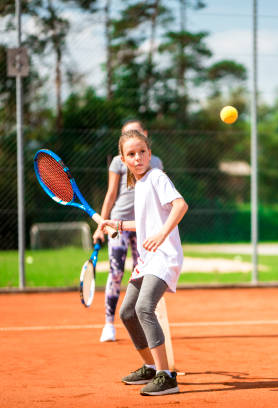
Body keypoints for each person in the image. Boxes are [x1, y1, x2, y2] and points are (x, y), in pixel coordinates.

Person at [99, 129, 187, 396]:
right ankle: (150, 365)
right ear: (122, 160)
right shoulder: (138, 184)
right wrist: (118, 224)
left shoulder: (157, 177)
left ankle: (166, 376)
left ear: (149, 153)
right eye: (131, 154)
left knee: (144, 307)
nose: (137, 158)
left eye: (142, 152)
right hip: (148, 259)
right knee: (127, 312)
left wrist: (162, 235)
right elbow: (147, 224)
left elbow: (180, 206)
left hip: (165, 256)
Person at [93, 120, 164, 343]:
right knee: (115, 272)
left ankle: (145, 323)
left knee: (143, 274)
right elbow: (111, 193)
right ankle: (108, 324)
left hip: (145, 226)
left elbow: (159, 195)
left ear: (145, 134)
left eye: (136, 132)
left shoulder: (156, 162)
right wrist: (101, 224)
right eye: (127, 134)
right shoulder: (118, 162)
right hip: (118, 223)